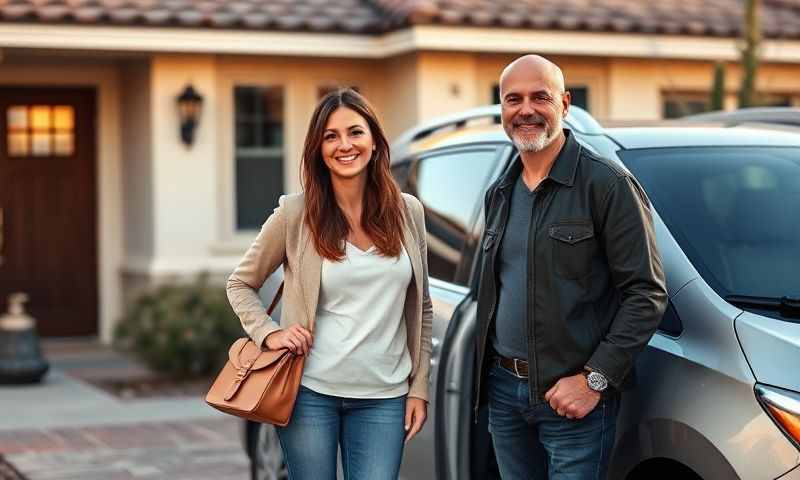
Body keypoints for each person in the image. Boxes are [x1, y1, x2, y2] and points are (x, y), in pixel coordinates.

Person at [473, 55, 668, 479]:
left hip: (573, 398)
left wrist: (594, 379)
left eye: (540, 97)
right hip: (505, 394)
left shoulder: (607, 185)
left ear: (563, 103)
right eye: (513, 99)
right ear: (503, 110)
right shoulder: (499, 193)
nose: (526, 110)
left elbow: (646, 293)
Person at [226, 88, 432, 480]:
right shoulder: (295, 213)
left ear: (374, 140)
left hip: (384, 397)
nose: (344, 145)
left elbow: (420, 306)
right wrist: (270, 334)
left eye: (355, 132)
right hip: (310, 393)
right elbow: (240, 283)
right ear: (318, 149)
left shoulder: (408, 212)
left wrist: (419, 387)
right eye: (331, 136)